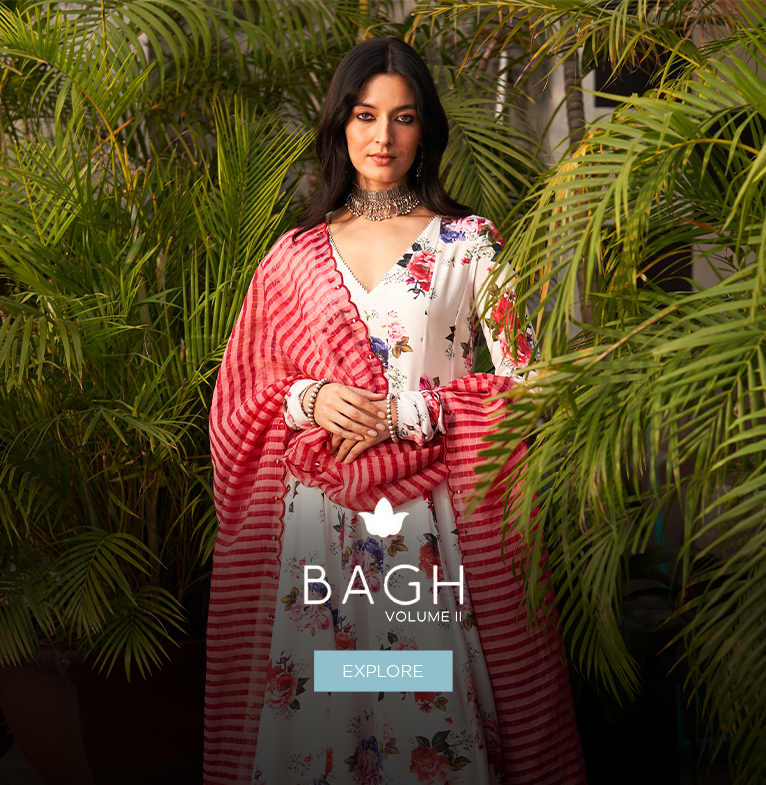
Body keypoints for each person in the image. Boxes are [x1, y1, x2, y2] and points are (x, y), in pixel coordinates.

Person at [205, 37, 586, 785]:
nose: (383, 136)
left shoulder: (468, 244)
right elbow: (241, 396)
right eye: (366, 115)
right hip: (317, 535)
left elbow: (535, 388)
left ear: (425, 129)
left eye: (403, 117)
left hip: (429, 529)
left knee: (423, 718)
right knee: (325, 716)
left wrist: (407, 414)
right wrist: (311, 397)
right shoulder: (293, 256)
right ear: (340, 124)